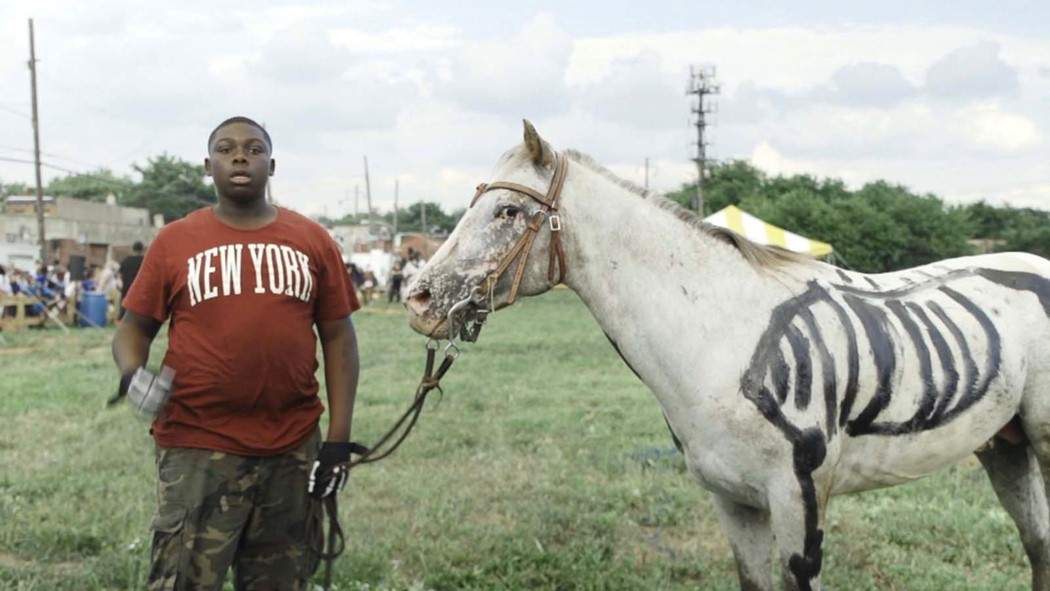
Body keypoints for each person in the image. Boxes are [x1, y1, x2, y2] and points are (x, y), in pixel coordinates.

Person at [111, 116, 362, 590]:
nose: (241, 156)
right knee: (182, 580)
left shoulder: (311, 240)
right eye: (226, 149)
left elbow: (339, 338)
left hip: (292, 445)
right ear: (209, 167)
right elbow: (132, 329)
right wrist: (132, 374)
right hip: (196, 446)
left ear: (273, 164)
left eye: (254, 148)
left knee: (282, 580)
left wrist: (338, 441)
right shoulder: (175, 241)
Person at [118, 241, 145, 320]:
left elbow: (120, 274)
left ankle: (122, 319)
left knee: (125, 305)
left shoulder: (126, 260)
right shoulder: (144, 260)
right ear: (142, 249)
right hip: (140, 288)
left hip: (126, 286)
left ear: (133, 249)